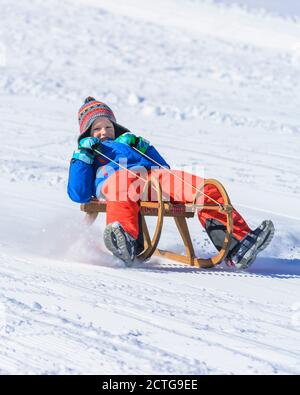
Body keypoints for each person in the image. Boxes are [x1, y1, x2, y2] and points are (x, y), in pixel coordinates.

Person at [68, 97, 275, 269]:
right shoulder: (90, 151)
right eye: (97, 129)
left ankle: (237, 246)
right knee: (124, 181)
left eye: (108, 126)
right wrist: (83, 154)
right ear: (87, 133)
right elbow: (79, 193)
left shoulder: (127, 143)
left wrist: (143, 146)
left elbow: (163, 167)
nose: (104, 131)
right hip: (117, 184)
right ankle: (125, 242)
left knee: (204, 188)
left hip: (153, 181)